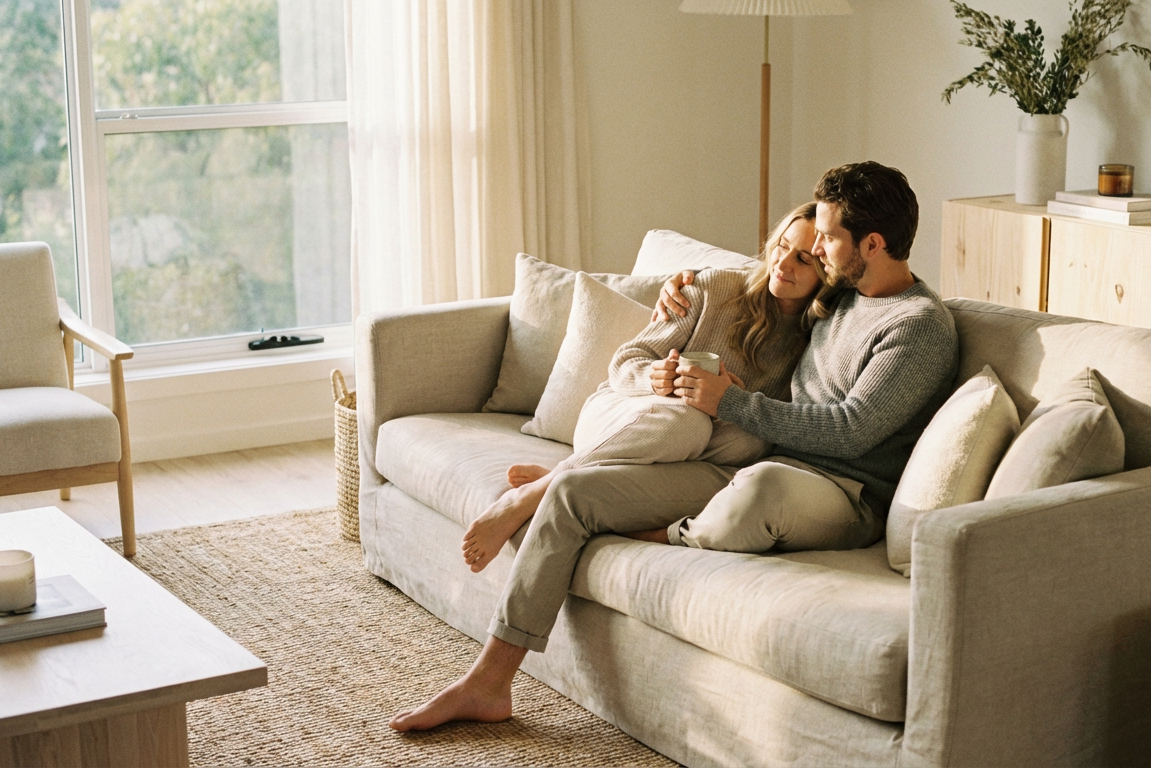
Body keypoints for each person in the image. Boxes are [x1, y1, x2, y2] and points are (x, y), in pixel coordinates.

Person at [389, 161, 959, 732]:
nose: (816, 251)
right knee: (572, 495)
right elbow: (768, 277)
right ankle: (489, 682)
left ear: (873, 244)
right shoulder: (841, 295)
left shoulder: (917, 325)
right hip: (749, 463)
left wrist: (729, 402)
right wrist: (682, 283)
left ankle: (665, 532)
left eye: (828, 239)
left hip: (843, 492)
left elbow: (851, 429)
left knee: (762, 485)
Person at [460, 202, 835, 573]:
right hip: (625, 413)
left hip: (698, 451)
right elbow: (624, 363)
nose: (783, 264)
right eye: (782, 246)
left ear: (825, 272)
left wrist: (731, 401)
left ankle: (582, 480)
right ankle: (540, 490)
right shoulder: (715, 288)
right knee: (687, 421)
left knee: (747, 442)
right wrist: (656, 377)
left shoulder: (819, 338)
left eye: (803, 259)